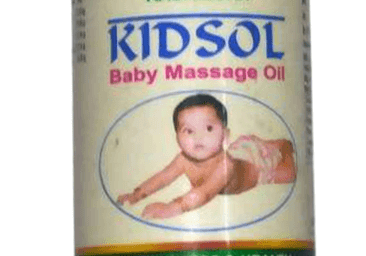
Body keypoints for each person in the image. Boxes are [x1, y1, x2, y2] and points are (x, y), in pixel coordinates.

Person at [117, 93, 295, 220]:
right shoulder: (183, 159)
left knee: (289, 174)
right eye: (189, 131)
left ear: (225, 135)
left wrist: (171, 208)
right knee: (245, 145)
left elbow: (205, 192)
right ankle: (260, 142)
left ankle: (283, 146)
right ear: (177, 138)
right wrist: (137, 194)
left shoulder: (226, 165)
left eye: (209, 128)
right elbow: (163, 177)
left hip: (256, 165)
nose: (199, 137)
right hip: (238, 150)